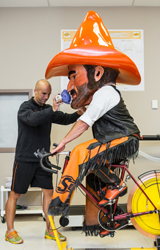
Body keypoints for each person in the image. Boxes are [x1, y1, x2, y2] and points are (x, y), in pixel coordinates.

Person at [45, 11, 141, 237]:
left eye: (73, 76)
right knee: (92, 174)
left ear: (97, 72)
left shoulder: (106, 92)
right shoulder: (101, 95)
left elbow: (83, 123)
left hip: (125, 138)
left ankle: (111, 187)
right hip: (113, 139)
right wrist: (68, 99)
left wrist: (62, 143)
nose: (70, 83)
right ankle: (108, 221)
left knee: (81, 152)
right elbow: (86, 112)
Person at [5, 79, 84, 244]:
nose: (46, 97)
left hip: (43, 158)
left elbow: (65, 119)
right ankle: (10, 231)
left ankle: (49, 230)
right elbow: (33, 119)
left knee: (48, 193)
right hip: (25, 158)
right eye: (43, 93)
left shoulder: (48, 109)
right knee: (15, 194)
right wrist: (52, 110)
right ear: (35, 91)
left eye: (48, 94)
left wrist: (79, 113)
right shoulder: (24, 108)